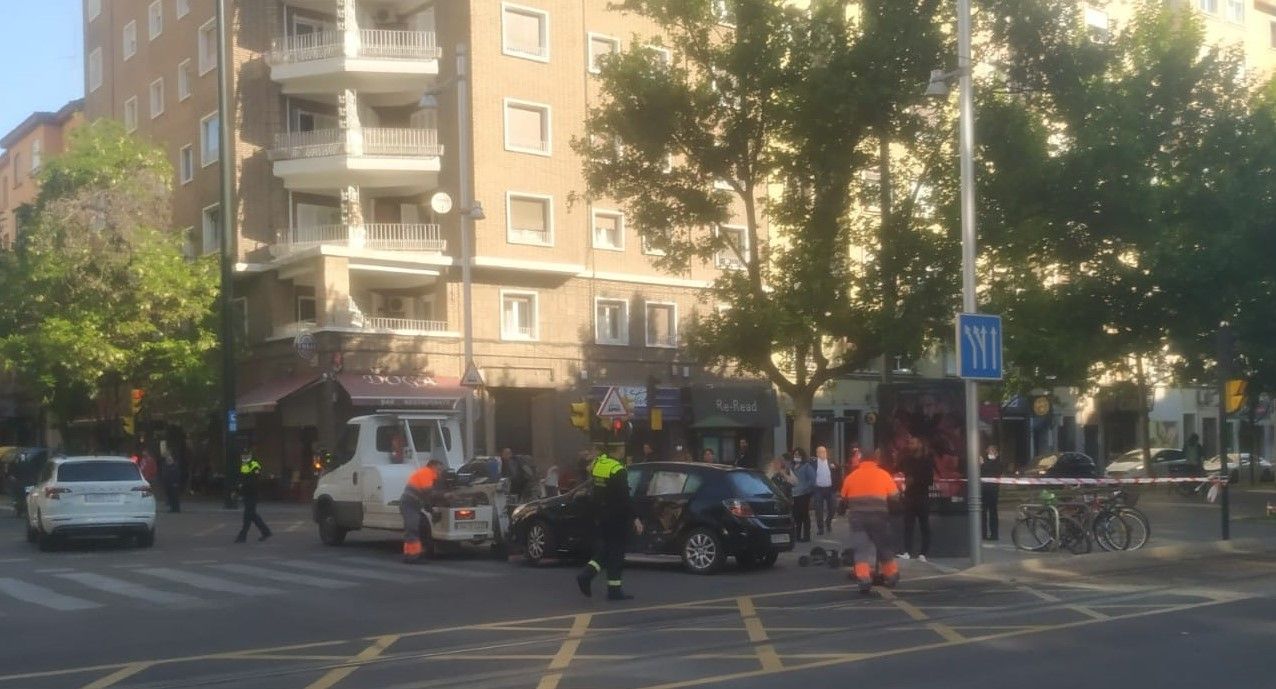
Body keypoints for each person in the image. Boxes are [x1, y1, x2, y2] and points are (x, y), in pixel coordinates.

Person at [576, 449, 643, 601]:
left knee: (608, 550)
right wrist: (635, 517)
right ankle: (593, 578)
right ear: (619, 449)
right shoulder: (618, 469)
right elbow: (624, 498)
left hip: (602, 516)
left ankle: (610, 587)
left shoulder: (600, 464)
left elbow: (596, 489)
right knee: (616, 553)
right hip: (617, 517)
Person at [840, 449, 901, 594]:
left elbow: (843, 498)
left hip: (858, 520)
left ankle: (864, 579)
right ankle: (891, 575)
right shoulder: (884, 475)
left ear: (861, 461)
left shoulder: (851, 476)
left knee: (861, 550)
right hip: (879, 518)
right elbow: (895, 496)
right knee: (884, 548)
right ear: (875, 461)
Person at [400, 459, 445, 564]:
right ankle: (414, 556)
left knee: (412, 529)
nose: (440, 472)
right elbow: (428, 493)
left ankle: (409, 555)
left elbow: (426, 499)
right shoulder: (426, 472)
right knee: (412, 528)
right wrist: (444, 495)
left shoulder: (428, 475)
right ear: (432, 466)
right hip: (410, 504)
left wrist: (432, 511)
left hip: (412, 504)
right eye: (439, 469)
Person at [899, 437, 934, 561]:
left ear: (919, 444)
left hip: (922, 496)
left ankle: (923, 553)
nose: (910, 445)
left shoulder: (927, 460)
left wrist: (915, 480)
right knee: (908, 525)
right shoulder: (907, 459)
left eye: (913, 443)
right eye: (909, 443)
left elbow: (930, 480)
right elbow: (899, 470)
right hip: (910, 496)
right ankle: (907, 551)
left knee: (924, 525)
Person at [234, 449, 272, 543]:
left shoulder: (254, 465)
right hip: (247, 493)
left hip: (252, 493)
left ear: (250, 455)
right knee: (252, 515)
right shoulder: (244, 465)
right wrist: (238, 490)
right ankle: (266, 532)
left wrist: (242, 486)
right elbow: (241, 478)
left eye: (246, 455)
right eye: (243, 455)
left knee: (248, 515)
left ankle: (242, 536)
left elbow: (253, 480)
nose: (244, 457)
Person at [980, 445, 1004, 541]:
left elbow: (996, 471)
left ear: (996, 452)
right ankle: (983, 534)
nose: (990, 452)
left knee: (993, 513)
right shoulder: (984, 461)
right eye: (989, 450)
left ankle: (994, 534)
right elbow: (981, 472)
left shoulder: (998, 462)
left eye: (992, 451)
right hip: (984, 490)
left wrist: (983, 464)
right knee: (983, 513)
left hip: (993, 491)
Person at [812, 446, 838, 536]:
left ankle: (828, 521)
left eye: (824, 452)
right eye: (820, 452)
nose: (823, 453)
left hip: (830, 489)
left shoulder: (832, 463)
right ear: (817, 453)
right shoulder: (813, 463)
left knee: (833, 507)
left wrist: (837, 486)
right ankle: (820, 528)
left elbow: (838, 474)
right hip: (818, 489)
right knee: (818, 510)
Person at [791, 448, 815, 542]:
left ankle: (806, 536)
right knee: (796, 515)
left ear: (802, 456)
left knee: (804, 515)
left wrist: (805, 488)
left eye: (798, 455)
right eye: (795, 454)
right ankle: (797, 536)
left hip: (804, 495)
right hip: (794, 494)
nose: (796, 456)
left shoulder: (806, 466)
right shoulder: (792, 467)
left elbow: (813, 480)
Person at [160, 449, 182, 513]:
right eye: (167, 460)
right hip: (168, 484)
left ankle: (176, 509)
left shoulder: (174, 467)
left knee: (175, 497)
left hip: (173, 484)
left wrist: (176, 483)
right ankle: (173, 508)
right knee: (171, 497)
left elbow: (177, 475)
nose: (168, 461)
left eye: (169, 460)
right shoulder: (167, 466)